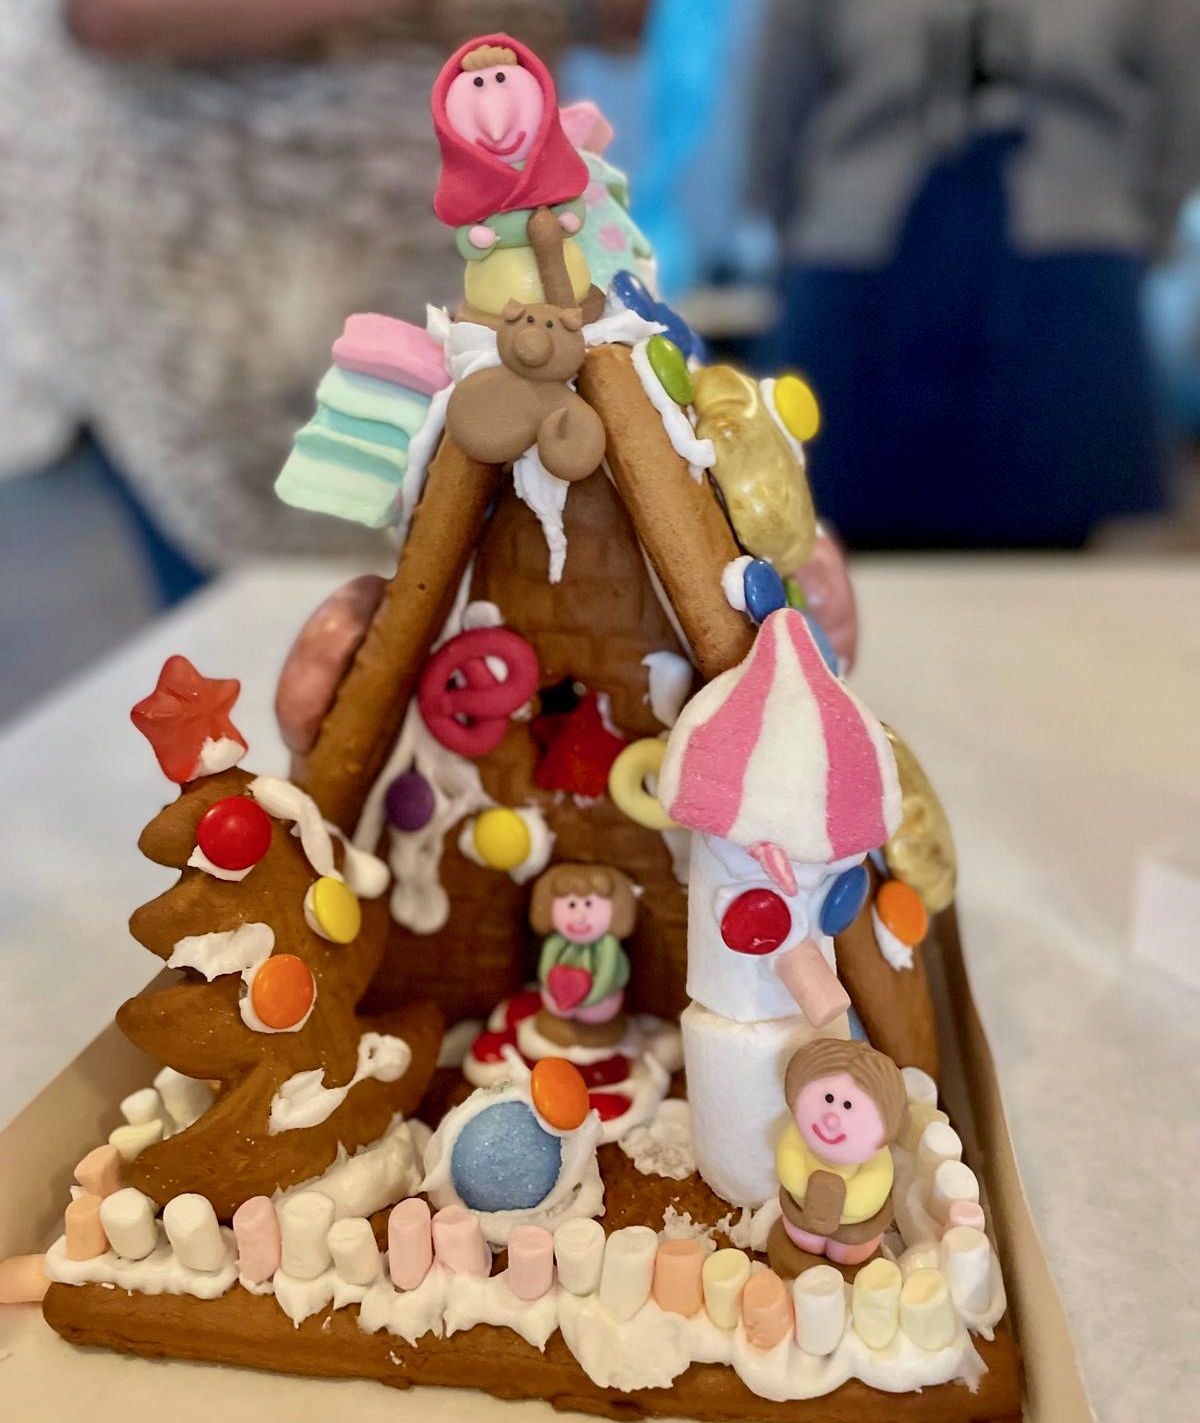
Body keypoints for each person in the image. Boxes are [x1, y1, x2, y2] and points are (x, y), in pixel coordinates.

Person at [0, 1, 645, 599]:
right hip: (241, 301)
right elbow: (109, 14)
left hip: (504, 283)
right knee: (295, 624)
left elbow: (614, 21)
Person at [749, 0, 1200, 549]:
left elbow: (1181, 112)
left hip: (1067, 277)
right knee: (819, 535)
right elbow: (777, 112)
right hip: (861, 276)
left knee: (1054, 545)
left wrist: (1125, 230)